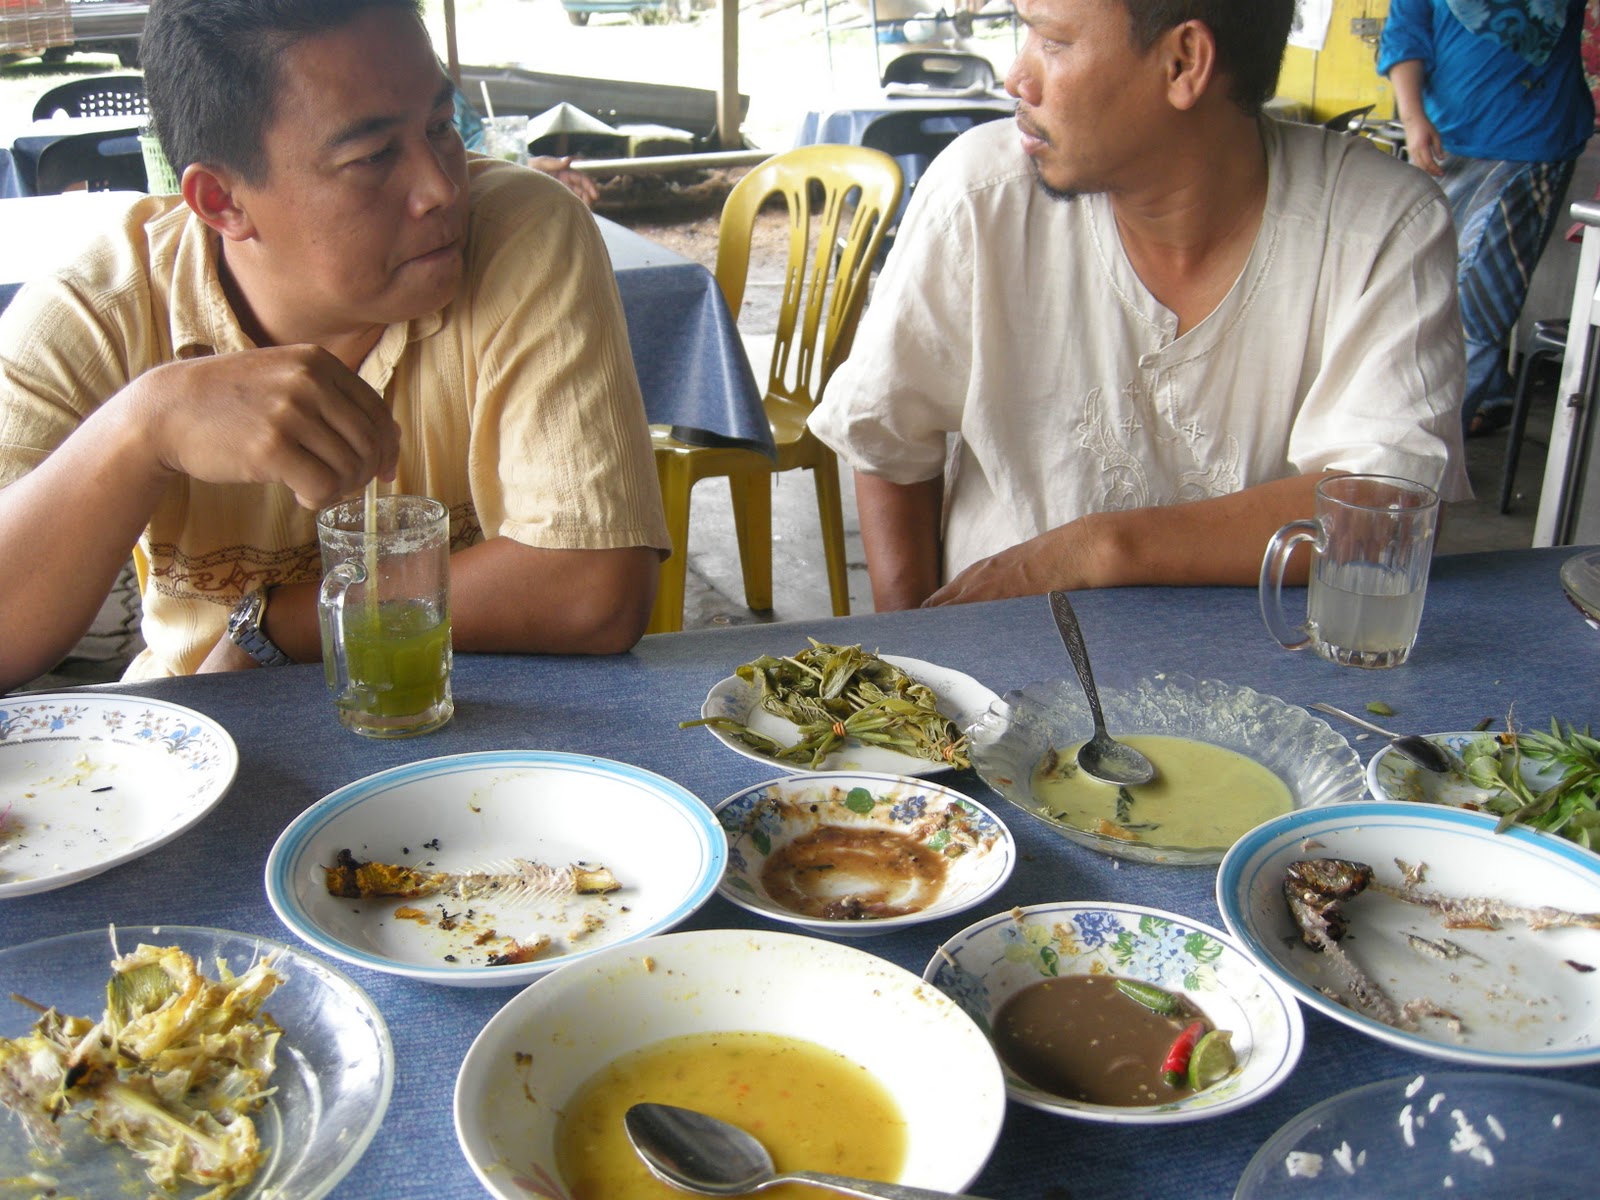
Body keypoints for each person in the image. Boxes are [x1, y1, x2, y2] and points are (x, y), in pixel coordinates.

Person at [0, 0, 668, 691]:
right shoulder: (100, 310)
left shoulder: (516, 235)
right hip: (201, 734)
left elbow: (594, 588)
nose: (442, 187)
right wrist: (143, 427)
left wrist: (277, 629)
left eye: (441, 127)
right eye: (373, 156)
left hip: (489, 724)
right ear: (221, 201)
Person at [807, 0, 1470, 611]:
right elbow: (888, 439)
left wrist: (1096, 550)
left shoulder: (1378, 225)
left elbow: (1383, 512)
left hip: (1268, 682)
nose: (1018, 78)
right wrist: (914, 669)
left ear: (1183, 63)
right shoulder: (980, 198)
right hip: (1007, 668)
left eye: (1054, 42)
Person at [1379, 0, 1594, 437]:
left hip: (1531, 143)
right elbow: (1405, 33)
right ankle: (1489, 393)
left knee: (1478, 302)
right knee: (1426, 288)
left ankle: (1430, 448)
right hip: (1446, 143)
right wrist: (1412, 116)